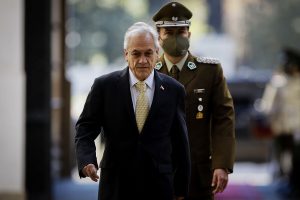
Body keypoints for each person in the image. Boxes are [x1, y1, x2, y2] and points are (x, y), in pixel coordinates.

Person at [75, 22, 191, 200]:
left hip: (159, 186)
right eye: (136, 53)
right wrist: (87, 160)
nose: (142, 60)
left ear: (157, 54)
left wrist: (181, 189)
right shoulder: (104, 87)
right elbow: (85, 128)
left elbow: (180, 143)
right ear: (126, 55)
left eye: (148, 53)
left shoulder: (174, 90)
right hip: (117, 184)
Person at [152, 2, 236, 199]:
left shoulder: (209, 71)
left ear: (189, 34)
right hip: (157, 170)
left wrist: (221, 164)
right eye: (168, 33)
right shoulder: (148, 72)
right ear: (159, 37)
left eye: (180, 32)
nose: (175, 38)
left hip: (198, 171)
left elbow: (223, 119)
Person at [260, 47, 300, 196]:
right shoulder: (278, 80)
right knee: (284, 156)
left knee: (295, 157)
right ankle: (286, 181)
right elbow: (269, 105)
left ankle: (293, 183)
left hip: (296, 127)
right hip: (282, 127)